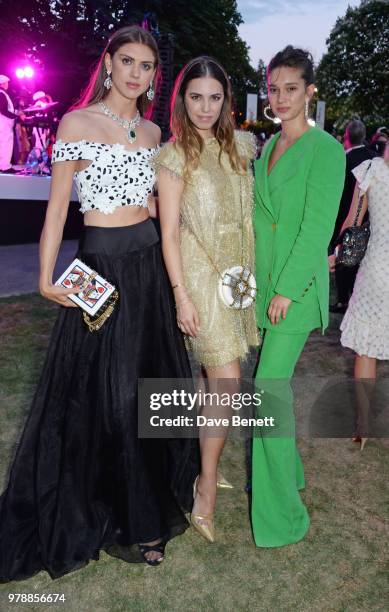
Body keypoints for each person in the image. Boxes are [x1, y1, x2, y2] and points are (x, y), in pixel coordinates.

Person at [0, 25, 199, 580]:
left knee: (144, 391)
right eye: (128, 62)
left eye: (146, 66)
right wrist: (45, 278)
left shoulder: (155, 130)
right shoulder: (75, 123)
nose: (136, 74)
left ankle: (143, 515)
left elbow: (163, 212)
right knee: (99, 394)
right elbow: (57, 211)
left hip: (148, 267)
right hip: (98, 268)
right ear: (108, 64)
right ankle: (97, 505)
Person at [154, 56, 258, 542]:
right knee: (227, 381)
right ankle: (204, 490)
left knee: (210, 381)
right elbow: (169, 233)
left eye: (214, 97)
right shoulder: (175, 156)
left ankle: (207, 465)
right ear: (182, 99)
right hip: (198, 277)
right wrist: (181, 295)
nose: (205, 107)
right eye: (196, 96)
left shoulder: (240, 146)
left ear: (226, 101)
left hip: (238, 277)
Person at [251, 46, 345, 547]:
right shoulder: (267, 148)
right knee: (273, 391)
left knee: (266, 392)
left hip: (294, 290)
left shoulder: (325, 149)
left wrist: (287, 289)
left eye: (291, 88)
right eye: (274, 88)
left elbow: (317, 227)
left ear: (310, 91)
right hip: (264, 287)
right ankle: (292, 477)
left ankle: (283, 519)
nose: (281, 98)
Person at [339, 140, 389, 449]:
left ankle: (363, 424)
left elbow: (352, 223)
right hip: (376, 274)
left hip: (376, 272)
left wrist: (336, 256)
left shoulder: (372, 171)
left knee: (366, 350)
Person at [329, 120, 375, 313]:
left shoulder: (341, 159)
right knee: (358, 261)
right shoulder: (374, 159)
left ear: (347, 137)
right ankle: (354, 298)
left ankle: (342, 300)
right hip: (368, 220)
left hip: (343, 216)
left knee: (342, 257)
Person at [0, 74, 21, 173]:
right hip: (4, 124)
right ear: (3, 83)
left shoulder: (3, 94)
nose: (8, 84)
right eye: (6, 82)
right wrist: (16, 116)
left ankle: (2, 166)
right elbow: (3, 110)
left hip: (4, 124)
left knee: (3, 144)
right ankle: (5, 166)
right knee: (6, 144)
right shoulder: (1, 94)